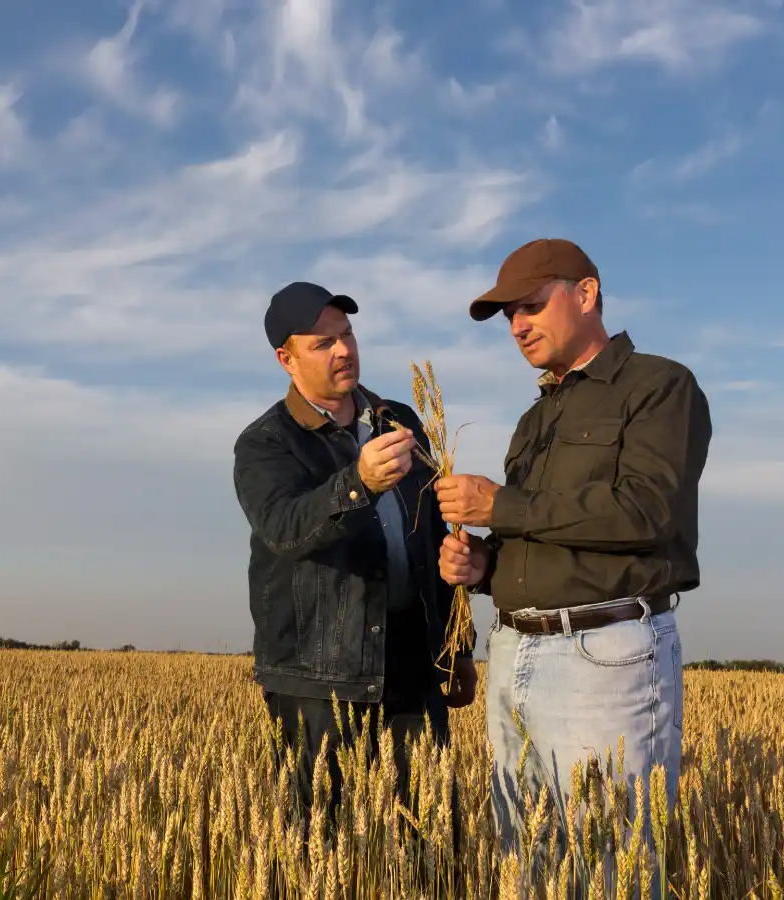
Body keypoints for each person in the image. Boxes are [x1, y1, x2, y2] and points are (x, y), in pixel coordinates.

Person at [434, 239, 712, 873]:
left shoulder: (659, 386)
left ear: (586, 293)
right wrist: (485, 567)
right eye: (509, 317)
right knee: (525, 865)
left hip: (604, 657)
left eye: (530, 306)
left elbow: (648, 512)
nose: (518, 326)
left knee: (609, 865)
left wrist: (501, 507)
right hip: (512, 652)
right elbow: (547, 536)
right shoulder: (535, 418)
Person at [233, 280, 477, 832]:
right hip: (320, 682)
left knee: (429, 849)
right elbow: (284, 528)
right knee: (323, 849)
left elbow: (435, 537)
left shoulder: (401, 422)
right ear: (286, 358)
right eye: (322, 343)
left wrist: (459, 646)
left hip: (413, 669)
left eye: (346, 335)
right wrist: (357, 483)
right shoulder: (267, 444)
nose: (343, 350)